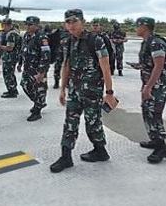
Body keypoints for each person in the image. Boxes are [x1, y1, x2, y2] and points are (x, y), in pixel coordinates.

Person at [50, 9, 117, 173]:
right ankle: (66, 157)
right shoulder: (67, 41)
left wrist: (109, 93)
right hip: (74, 90)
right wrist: (62, 89)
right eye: (68, 22)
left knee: (92, 124)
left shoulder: (96, 40)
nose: (71, 25)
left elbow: (105, 67)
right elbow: (66, 65)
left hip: (92, 92)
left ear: (83, 21)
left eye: (74, 21)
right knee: (70, 124)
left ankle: (100, 150)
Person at [128, 17, 166, 163]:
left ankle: (162, 148)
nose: (136, 29)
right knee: (146, 111)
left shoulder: (156, 43)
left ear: (145, 27)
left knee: (154, 113)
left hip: (157, 85)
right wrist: (139, 66)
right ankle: (154, 139)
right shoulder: (146, 42)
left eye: (137, 26)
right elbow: (150, 64)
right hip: (149, 83)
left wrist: (148, 87)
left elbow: (159, 66)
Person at [17, 16, 51, 121]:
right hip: (28, 68)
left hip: (37, 69)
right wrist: (20, 63)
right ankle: (39, 103)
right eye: (26, 24)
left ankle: (37, 111)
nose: (27, 26)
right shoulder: (27, 36)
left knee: (39, 89)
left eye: (30, 24)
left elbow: (46, 54)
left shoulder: (42, 37)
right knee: (25, 86)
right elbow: (23, 50)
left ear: (37, 25)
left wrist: (42, 72)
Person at [0, 19, 22, 98]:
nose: (4, 27)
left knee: (8, 73)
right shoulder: (15, 32)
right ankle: (13, 89)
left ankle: (12, 90)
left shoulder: (11, 34)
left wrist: (0, 46)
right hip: (14, 56)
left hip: (10, 57)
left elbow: (10, 48)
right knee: (10, 73)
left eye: (6, 25)